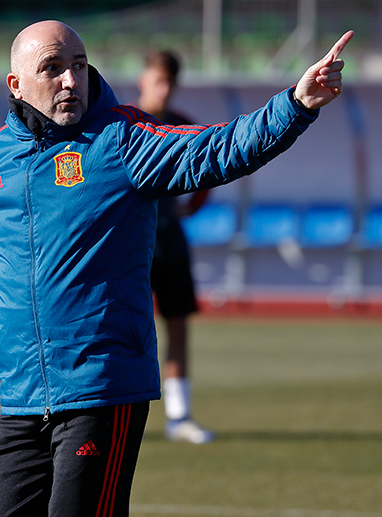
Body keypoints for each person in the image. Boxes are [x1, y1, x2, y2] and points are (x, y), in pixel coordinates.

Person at [0, 21, 352, 516]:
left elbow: (217, 148)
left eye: (79, 66)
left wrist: (295, 106)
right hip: (21, 398)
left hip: (102, 391)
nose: (71, 80)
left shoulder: (123, 139)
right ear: (15, 84)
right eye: (53, 68)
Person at [136, 50, 214, 444]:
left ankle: (179, 416)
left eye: (169, 82)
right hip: (132, 246)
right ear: (143, 81)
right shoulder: (126, 124)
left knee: (179, 329)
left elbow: (208, 177)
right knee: (125, 330)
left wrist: (187, 209)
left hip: (171, 245)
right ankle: (111, 411)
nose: (162, 89)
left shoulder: (183, 127)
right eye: (157, 80)